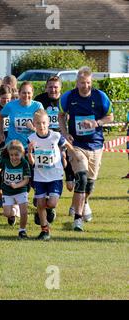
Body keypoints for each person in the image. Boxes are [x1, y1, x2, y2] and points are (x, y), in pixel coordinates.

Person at [58, 66, 114, 231]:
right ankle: (78, 219)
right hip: (76, 145)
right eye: (82, 83)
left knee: (89, 184)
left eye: (88, 82)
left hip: (96, 144)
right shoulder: (68, 97)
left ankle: (82, 203)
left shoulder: (100, 97)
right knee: (81, 178)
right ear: (77, 83)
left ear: (91, 82)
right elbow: (61, 116)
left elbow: (111, 116)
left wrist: (96, 123)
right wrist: (65, 133)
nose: (85, 86)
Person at [28, 109, 77, 240]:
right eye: (38, 123)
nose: (41, 126)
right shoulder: (31, 139)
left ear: (48, 123)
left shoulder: (55, 136)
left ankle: (48, 209)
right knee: (40, 204)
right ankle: (45, 231)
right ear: (34, 124)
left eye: (44, 123)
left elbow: (67, 145)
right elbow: (32, 162)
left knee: (52, 203)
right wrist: (29, 152)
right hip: (39, 176)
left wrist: (74, 155)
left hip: (55, 176)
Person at [0, 140, 31, 239]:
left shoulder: (24, 163)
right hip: (7, 191)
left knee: (24, 212)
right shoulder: (5, 161)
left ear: (22, 154)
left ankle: (22, 230)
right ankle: (13, 212)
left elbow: (26, 180)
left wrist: (17, 185)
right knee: (6, 213)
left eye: (16, 155)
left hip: (21, 190)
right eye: (11, 155)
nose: (14, 157)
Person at [0, 81, 44, 149]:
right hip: (12, 144)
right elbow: (1, 116)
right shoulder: (11, 105)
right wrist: (1, 133)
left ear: (32, 93)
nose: (26, 95)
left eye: (29, 93)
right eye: (24, 93)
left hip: (31, 145)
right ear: (19, 93)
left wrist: (33, 128)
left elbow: (43, 126)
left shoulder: (37, 106)